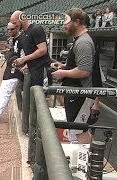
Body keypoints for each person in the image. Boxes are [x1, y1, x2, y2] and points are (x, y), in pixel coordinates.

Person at [52, 8, 96, 144]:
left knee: (79, 131)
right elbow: (79, 66)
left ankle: (85, 164)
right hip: (75, 93)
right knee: (75, 130)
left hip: (80, 94)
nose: (64, 25)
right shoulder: (79, 40)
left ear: (77, 22)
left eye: (66, 21)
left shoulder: (83, 42)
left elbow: (84, 71)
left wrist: (62, 73)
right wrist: (65, 67)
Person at [10, 11, 51, 87]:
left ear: (22, 18)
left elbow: (43, 50)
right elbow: (30, 53)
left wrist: (24, 59)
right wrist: (25, 65)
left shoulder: (36, 29)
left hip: (41, 70)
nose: (14, 26)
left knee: (41, 97)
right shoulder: (23, 34)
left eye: (15, 23)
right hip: (33, 71)